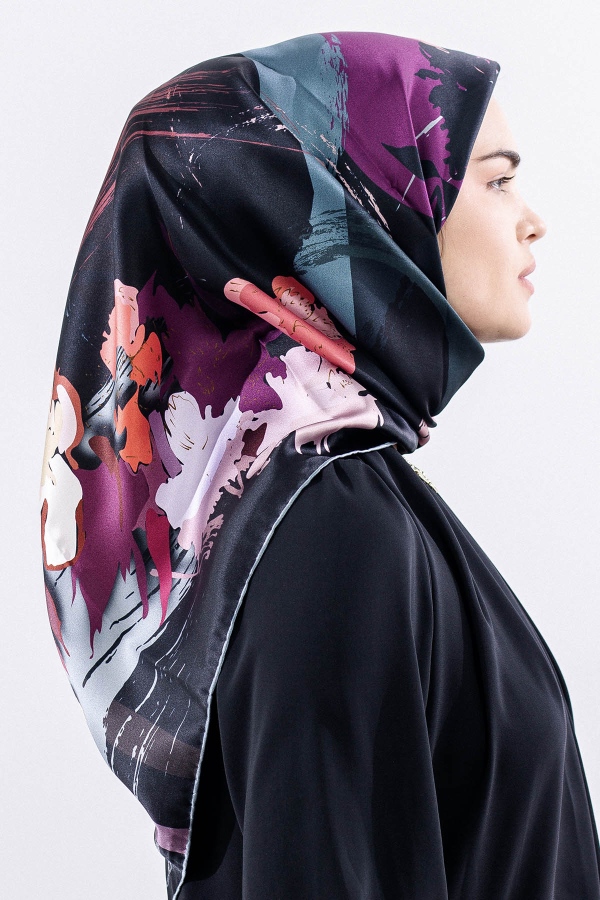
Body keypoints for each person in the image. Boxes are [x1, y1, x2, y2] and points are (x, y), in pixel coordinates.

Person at [40, 31, 600, 899]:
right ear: (364, 210)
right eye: (495, 181)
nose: (533, 219)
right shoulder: (333, 529)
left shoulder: (338, 504)